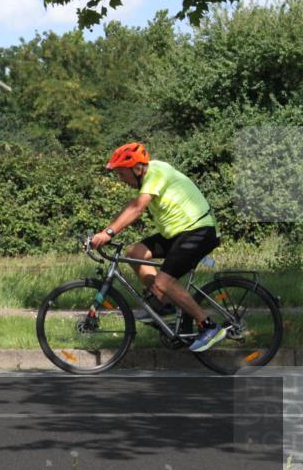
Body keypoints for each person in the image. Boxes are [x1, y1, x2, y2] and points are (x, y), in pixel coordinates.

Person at [91, 142, 226, 352]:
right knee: (135, 253)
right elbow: (132, 206)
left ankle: (208, 326)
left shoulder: (157, 171)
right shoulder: (146, 181)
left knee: (164, 282)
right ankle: (164, 306)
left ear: (137, 169)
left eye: (122, 174)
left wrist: (108, 234)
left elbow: (137, 208)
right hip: (177, 233)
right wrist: (105, 230)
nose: (121, 179)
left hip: (198, 230)